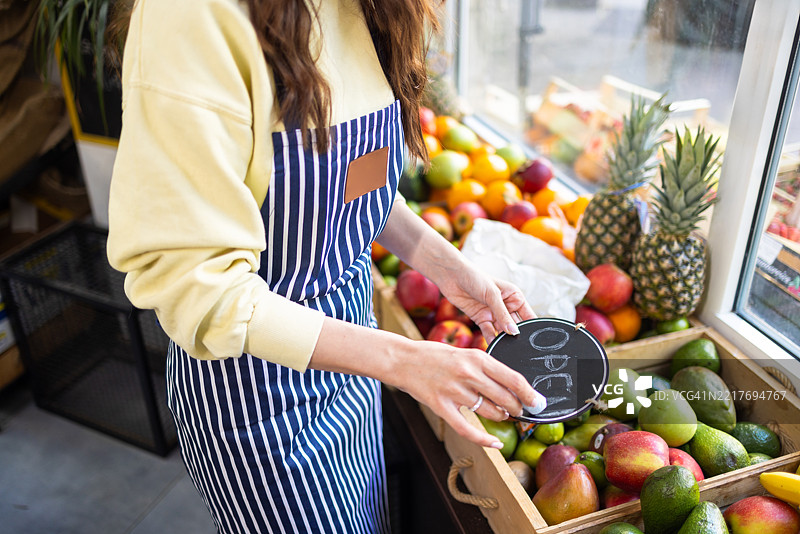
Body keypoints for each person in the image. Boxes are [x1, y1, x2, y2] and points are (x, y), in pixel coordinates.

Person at [106, 0, 545, 532]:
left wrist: (448, 267)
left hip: (354, 366)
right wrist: (405, 361)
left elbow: (347, 187)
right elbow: (199, 288)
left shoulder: (368, 8)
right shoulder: (192, 17)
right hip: (255, 402)